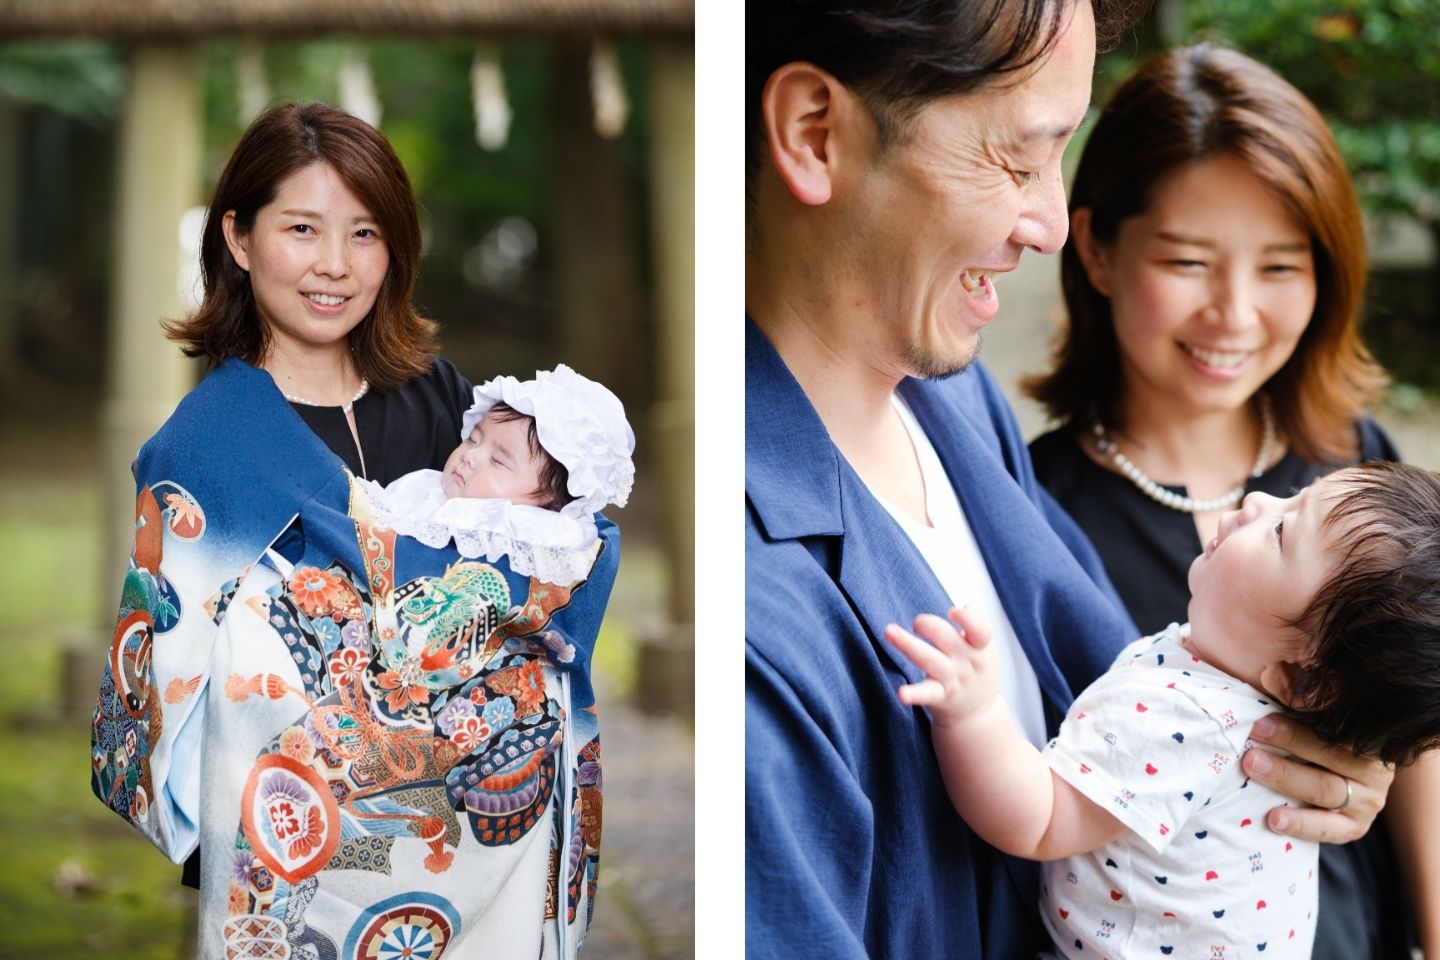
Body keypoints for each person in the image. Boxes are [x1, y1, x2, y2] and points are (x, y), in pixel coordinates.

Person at [744, 4, 1396, 957]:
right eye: (1019, 156)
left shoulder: (956, 401)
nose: (1048, 223)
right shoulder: (759, 617)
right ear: (815, 132)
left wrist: (1336, 744)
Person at [90, 102, 619, 958]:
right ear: (238, 237)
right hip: (300, 837)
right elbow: (172, 667)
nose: (334, 265)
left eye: (365, 234)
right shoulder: (205, 443)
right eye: (302, 228)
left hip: (478, 841)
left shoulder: (450, 404)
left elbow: (548, 574)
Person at [1024, 45, 1427, 952]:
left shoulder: (1357, 472)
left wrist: (1377, 768)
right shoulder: (1033, 507)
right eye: (1189, 261)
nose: (1235, 313)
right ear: (1095, 247)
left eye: (1281, 268)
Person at [888, 461, 1440, 955]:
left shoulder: (1186, 719)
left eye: (1280, 531)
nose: (1257, 501)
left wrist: (974, 713)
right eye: (1293, 494)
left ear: (1299, 675)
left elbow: (1039, 819)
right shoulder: (1249, 690)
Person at [358, 364, 636, 586]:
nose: (470, 456)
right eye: (473, 439)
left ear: (551, 501)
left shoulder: (536, 530)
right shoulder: (422, 489)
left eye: (498, 461)